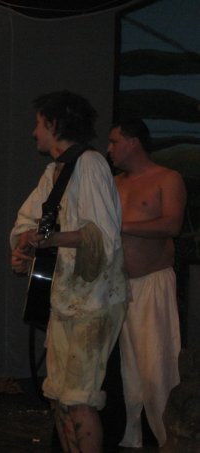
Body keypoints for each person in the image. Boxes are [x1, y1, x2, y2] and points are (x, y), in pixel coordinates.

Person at [10, 91, 129, 453]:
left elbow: (102, 236)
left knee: (79, 399)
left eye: (39, 124)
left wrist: (52, 239)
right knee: (59, 397)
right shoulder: (54, 172)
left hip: (94, 301)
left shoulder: (91, 164)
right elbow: (28, 221)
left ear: (54, 124)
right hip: (65, 299)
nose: (34, 133)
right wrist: (24, 246)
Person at [108, 119, 185, 448]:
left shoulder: (167, 178)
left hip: (152, 285)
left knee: (156, 368)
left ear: (133, 142)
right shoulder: (113, 183)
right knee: (126, 374)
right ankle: (130, 439)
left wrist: (121, 225)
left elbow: (172, 224)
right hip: (117, 287)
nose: (109, 149)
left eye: (114, 141)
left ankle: (170, 439)